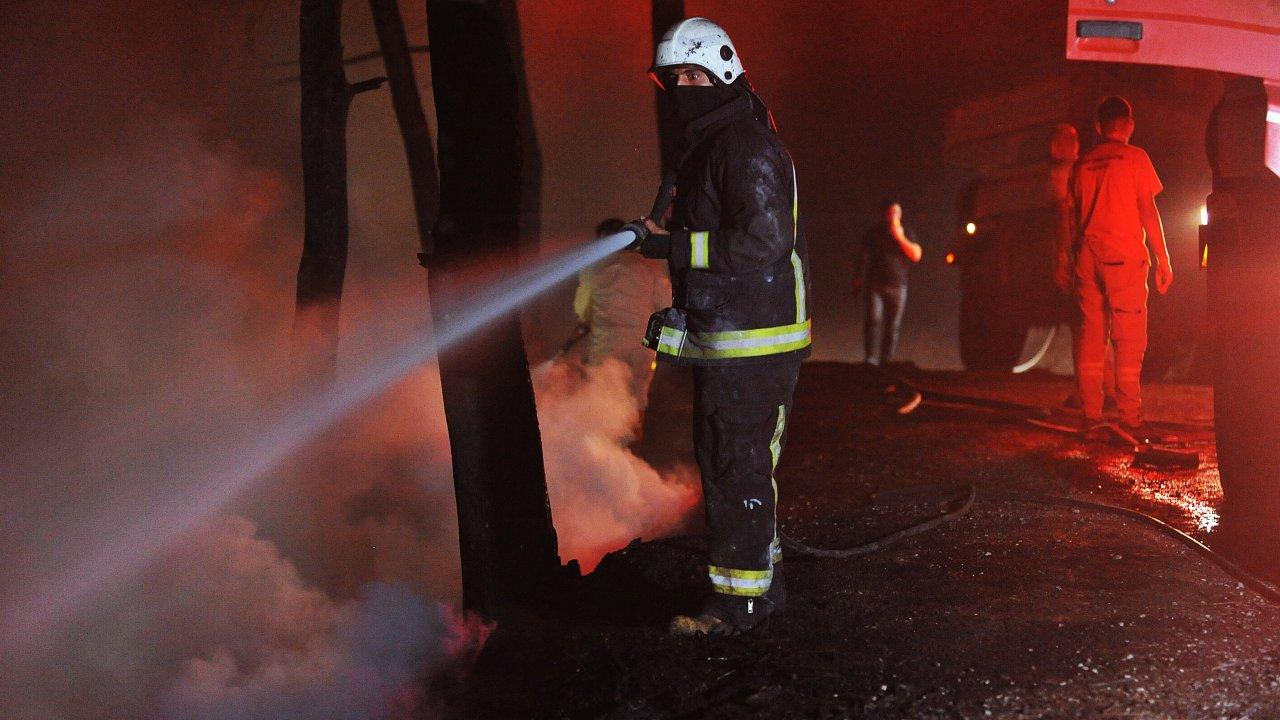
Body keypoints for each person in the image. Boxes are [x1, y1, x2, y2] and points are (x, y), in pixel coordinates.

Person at [627, 17, 810, 635]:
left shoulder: (747, 146)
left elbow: (763, 240)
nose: (683, 87)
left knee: (736, 466)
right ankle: (762, 583)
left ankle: (741, 608)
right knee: (726, 461)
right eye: (674, 78)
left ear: (724, 72)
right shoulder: (710, 145)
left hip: (755, 340)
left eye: (695, 75)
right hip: (726, 336)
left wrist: (677, 248)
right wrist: (662, 240)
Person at [1068, 96, 1173, 438]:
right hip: (1123, 257)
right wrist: (1163, 257)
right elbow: (1147, 210)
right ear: (1129, 124)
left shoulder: (1083, 163)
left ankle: (1091, 415)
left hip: (1087, 255)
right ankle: (1130, 417)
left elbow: (1070, 215)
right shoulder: (1135, 158)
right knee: (1128, 338)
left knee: (1091, 336)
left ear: (1098, 127)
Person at [572, 218, 671, 413]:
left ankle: (605, 442)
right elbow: (666, 303)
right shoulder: (649, 265)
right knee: (637, 400)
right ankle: (633, 439)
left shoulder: (593, 268)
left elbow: (581, 309)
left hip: (606, 344)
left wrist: (589, 321)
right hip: (642, 344)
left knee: (604, 403)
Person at [854, 200, 922, 367]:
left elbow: (916, 255)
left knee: (893, 325)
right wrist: (858, 277)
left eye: (897, 212)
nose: (894, 216)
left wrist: (899, 237)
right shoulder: (875, 233)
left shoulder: (907, 232)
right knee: (873, 320)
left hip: (898, 286)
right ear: (885, 214)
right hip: (875, 284)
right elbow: (863, 256)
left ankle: (886, 359)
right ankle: (871, 358)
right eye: (891, 212)